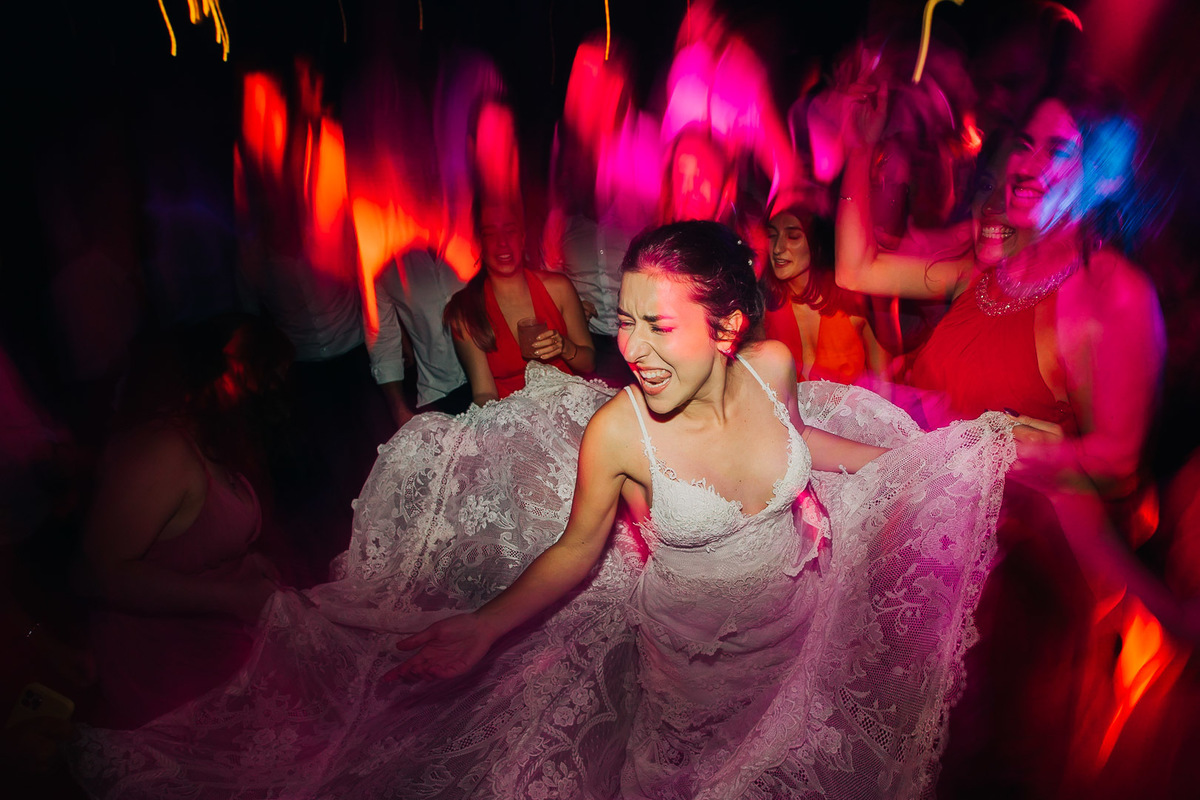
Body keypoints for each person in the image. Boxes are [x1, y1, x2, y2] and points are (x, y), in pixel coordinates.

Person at [836, 84, 1169, 798]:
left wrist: (996, 444)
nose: (1029, 162)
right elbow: (856, 268)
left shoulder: (1111, 294)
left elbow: (1117, 461)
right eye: (1025, 144)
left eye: (1059, 150)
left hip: (1006, 592)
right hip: (918, 543)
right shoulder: (982, 272)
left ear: (1104, 177)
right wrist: (861, 147)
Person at [75, 316, 290, 729]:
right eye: (257, 373)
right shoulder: (163, 450)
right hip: (164, 666)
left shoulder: (216, 436)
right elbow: (95, 574)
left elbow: (192, 541)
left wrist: (245, 565)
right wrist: (232, 597)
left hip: (211, 641)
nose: (268, 388)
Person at [444, 199, 596, 404]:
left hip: (567, 404)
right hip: (513, 414)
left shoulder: (558, 288)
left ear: (522, 237)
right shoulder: (465, 310)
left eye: (510, 231)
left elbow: (589, 364)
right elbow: (483, 393)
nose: (502, 243)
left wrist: (565, 347)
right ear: (479, 243)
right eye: (490, 234)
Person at [761, 206, 889, 384]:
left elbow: (885, 385)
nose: (777, 249)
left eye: (793, 236)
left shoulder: (856, 304)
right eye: (772, 235)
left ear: (817, 242)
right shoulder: (764, 309)